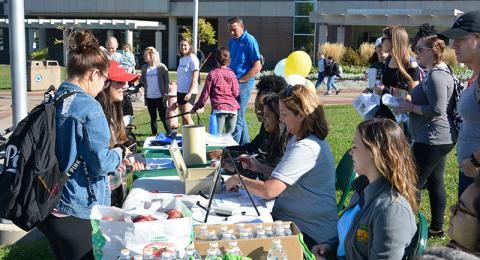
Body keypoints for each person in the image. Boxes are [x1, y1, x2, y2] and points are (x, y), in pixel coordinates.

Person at [37, 30, 126, 260]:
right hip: (76, 208)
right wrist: (120, 152)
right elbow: (100, 164)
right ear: (94, 74)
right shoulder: (89, 108)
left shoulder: (55, 98)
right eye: (105, 79)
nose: (103, 85)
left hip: (49, 205)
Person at [226, 85, 337, 250]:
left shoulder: (306, 147)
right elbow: (287, 177)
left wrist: (238, 179)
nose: (282, 120)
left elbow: (269, 190)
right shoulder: (300, 139)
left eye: (284, 114)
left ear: (300, 114)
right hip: (293, 222)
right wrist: (259, 167)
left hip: (310, 235)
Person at [313, 118, 417, 260]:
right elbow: (351, 234)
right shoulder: (362, 190)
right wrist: (331, 246)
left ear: (374, 152)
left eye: (355, 146)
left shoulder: (391, 210)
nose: (351, 153)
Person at [396, 35, 455, 239]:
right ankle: (436, 228)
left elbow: (438, 109)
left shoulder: (438, 75)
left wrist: (410, 107)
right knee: (435, 181)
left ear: (433, 51)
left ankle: (409, 232)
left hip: (431, 139)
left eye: (420, 49)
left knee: (411, 184)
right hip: (437, 138)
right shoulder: (437, 72)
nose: (416, 53)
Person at [439, 10, 480, 197]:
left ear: (478, 38)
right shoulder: (476, 76)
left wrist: (474, 160)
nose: (453, 45)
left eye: (460, 38)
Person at [96, 60, 143, 208]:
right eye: (120, 82)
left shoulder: (114, 113)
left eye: (126, 82)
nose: (126, 86)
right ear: (105, 84)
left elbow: (117, 161)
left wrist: (130, 161)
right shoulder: (98, 117)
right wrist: (124, 159)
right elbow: (102, 164)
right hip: (104, 198)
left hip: (116, 191)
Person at [228, 16, 262, 145]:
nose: (232, 33)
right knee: (239, 116)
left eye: (234, 30)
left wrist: (241, 80)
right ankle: (246, 146)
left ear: (242, 27)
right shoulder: (232, 41)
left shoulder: (250, 41)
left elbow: (257, 66)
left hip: (244, 83)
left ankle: (232, 148)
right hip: (233, 83)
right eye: (230, 30)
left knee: (236, 117)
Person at [192, 47, 239, 135]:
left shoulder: (212, 74)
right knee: (230, 139)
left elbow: (204, 95)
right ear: (229, 59)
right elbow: (236, 93)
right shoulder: (232, 74)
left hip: (219, 109)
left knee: (217, 138)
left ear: (216, 59)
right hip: (233, 109)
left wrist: (196, 107)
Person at [378, 25, 420, 99]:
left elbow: (414, 98)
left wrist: (389, 91)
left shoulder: (410, 64)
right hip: (383, 109)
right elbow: (384, 86)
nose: (381, 44)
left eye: (383, 39)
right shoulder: (388, 60)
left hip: (400, 110)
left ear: (394, 41)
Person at [141, 46, 171, 136]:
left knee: (163, 117)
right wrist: (139, 79)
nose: (144, 57)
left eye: (146, 55)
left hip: (160, 97)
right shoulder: (144, 68)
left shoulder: (161, 67)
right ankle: (154, 135)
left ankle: (170, 134)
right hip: (150, 97)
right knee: (153, 118)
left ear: (152, 56)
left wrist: (166, 94)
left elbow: (167, 82)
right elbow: (142, 81)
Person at [177, 37, 199, 126]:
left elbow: (195, 78)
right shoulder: (181, 59)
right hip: (180, 91)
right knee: (183, 117)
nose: (183, 47)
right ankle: (185, 138)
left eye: (185, 45)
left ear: (190, 46)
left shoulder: (193, 58)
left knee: (186, 116)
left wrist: (189, 93)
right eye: (181, 45)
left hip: (190, 92)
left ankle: (197, 137)